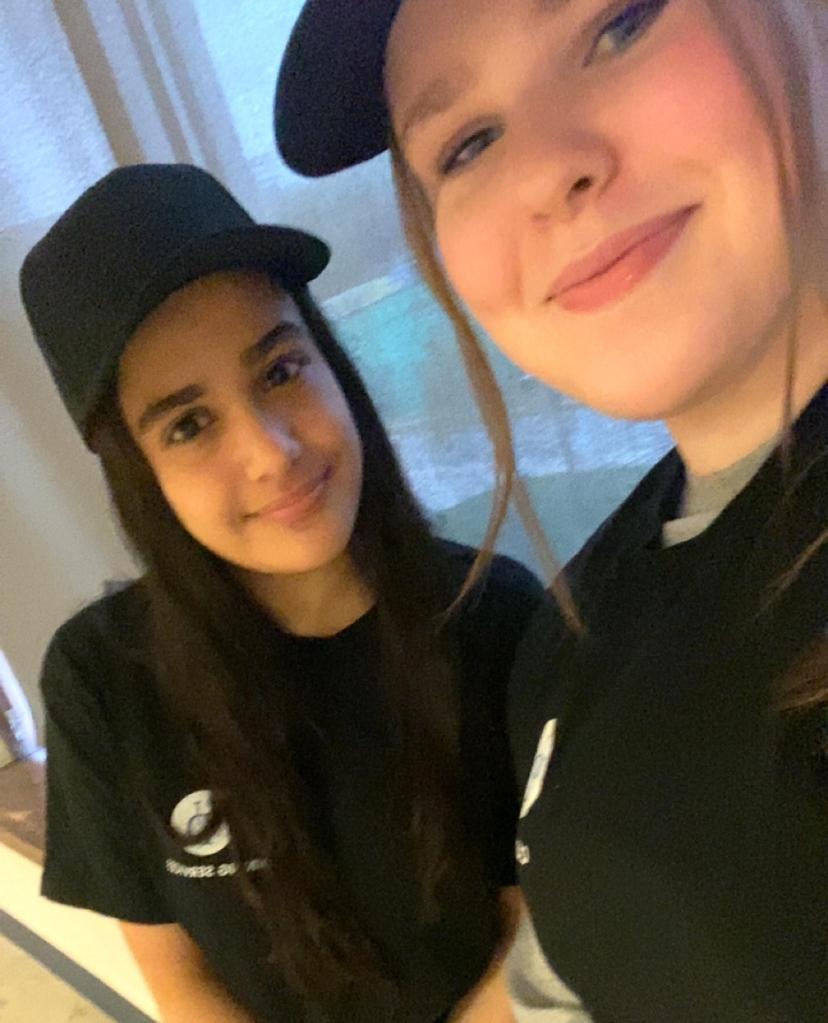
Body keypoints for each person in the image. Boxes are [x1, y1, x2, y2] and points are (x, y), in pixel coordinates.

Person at [274, 1, 828, 1020]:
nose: (543, 171)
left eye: (620, 24)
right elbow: (570, 962)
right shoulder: (575, 627)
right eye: (469, 143)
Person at [19, 163, 546, 1023]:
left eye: (280, 370)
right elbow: (181, 979)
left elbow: (534, 929)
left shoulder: (494, 615)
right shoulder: (101, 679)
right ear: (139, 471)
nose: (271, 453)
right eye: (189, 424)